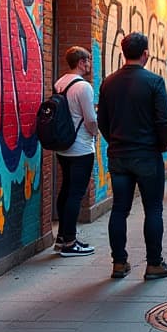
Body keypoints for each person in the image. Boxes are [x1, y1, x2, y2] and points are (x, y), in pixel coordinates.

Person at [97, 32, 167, 281]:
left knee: (119, 209)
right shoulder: (154, 81)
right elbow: (164, 119)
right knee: (153, 209)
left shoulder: (108, 82)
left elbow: (103, 121)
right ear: (145, 54)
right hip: (147, 156)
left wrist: (115, 141)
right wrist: (162, 146)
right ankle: (154, 264)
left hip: (119, 155)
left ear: (123, 52)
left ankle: (119, 263)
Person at [53, 46, 98, 256]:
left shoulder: (60, 82)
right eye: (88, 60)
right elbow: (90, 119)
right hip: (81, 147)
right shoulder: (84, 87)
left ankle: (62, 237)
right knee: (75, 194)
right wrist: (96, 133)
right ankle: (70, 243)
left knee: (65, 190)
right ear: (81, 62)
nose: (89, 64)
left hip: (64, 146)